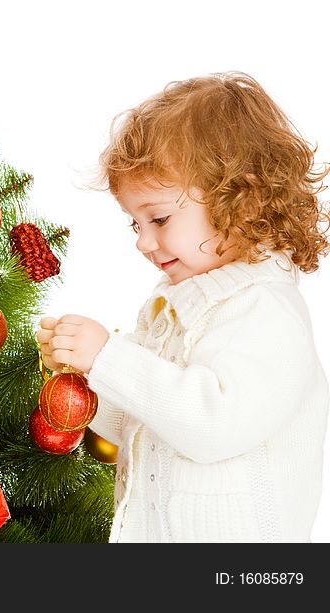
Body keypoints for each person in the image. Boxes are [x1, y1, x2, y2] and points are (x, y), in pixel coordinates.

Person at [37, 72, 329, 542]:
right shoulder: (174, 307)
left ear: (242, 199)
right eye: (134, 224)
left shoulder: (266, 312)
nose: (144, 242)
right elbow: (140, 420)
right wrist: (85, 379)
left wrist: (108, 358)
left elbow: (214, 425)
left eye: (158, 218)